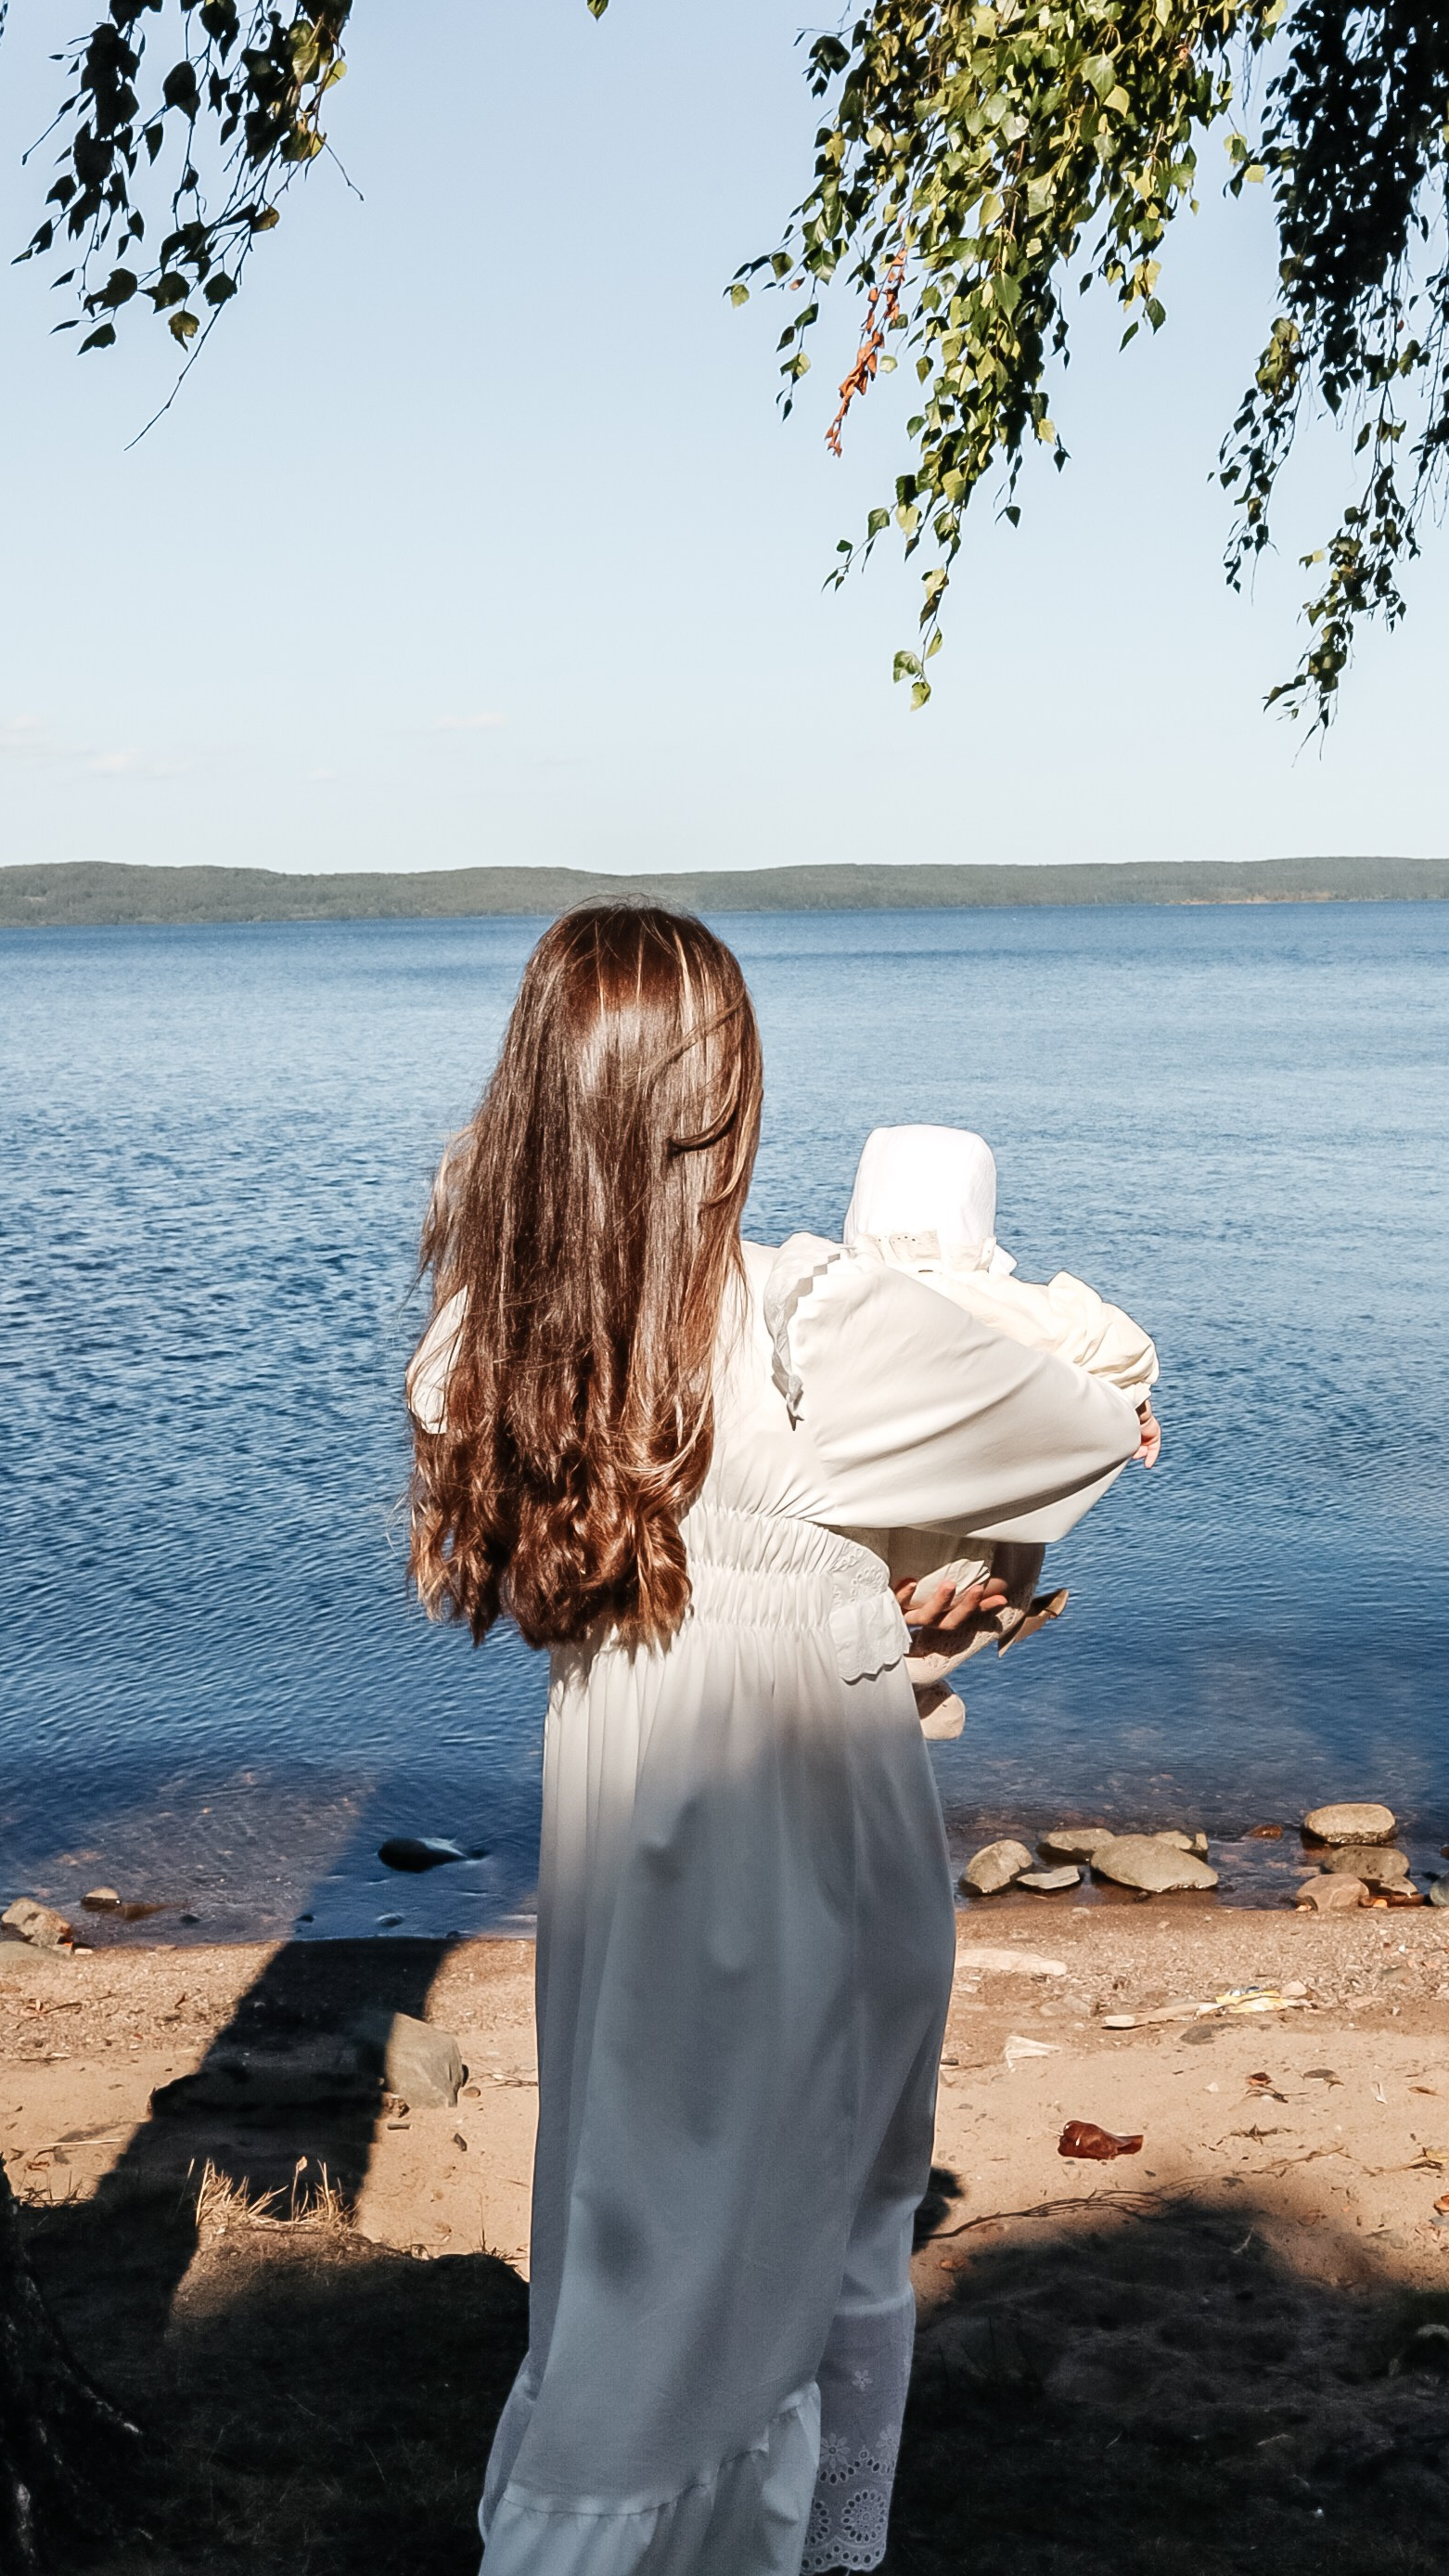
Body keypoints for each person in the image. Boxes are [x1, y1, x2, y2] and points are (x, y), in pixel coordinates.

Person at [404, 907, 1141, 2576]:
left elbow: (709, 1559)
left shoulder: (493, 1348)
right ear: (724, 1099)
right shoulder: (817, 1327)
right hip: (814, 1816)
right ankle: (812, 2547)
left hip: (632, 1817)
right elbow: (1097, 1411)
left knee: (637, 2227)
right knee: (840, 2228)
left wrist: (874, 1601)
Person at [828, 1124, 1161, 1738]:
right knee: (1026, 1512)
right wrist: (1135, 1410)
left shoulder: (816, 1298)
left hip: (843, 1554)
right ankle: (924, 1674)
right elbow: (1120, 1346)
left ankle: (903, 1684)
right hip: (945, 1570)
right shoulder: (992, 1303)